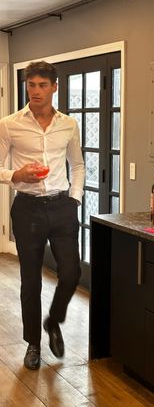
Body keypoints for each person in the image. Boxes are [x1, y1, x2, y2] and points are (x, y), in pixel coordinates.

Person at [0, 61, 85, 370]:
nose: (35, 91)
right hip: (27, 209)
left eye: (42, 85)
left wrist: (75, 199)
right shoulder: (9, 124)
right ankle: (33, 343)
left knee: (72, 272)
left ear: (54, 88)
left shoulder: (68, 124)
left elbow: (77, 164)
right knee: (30, 280)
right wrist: (17, 173)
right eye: (31, 85)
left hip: (62, 207)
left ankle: (54, 320)